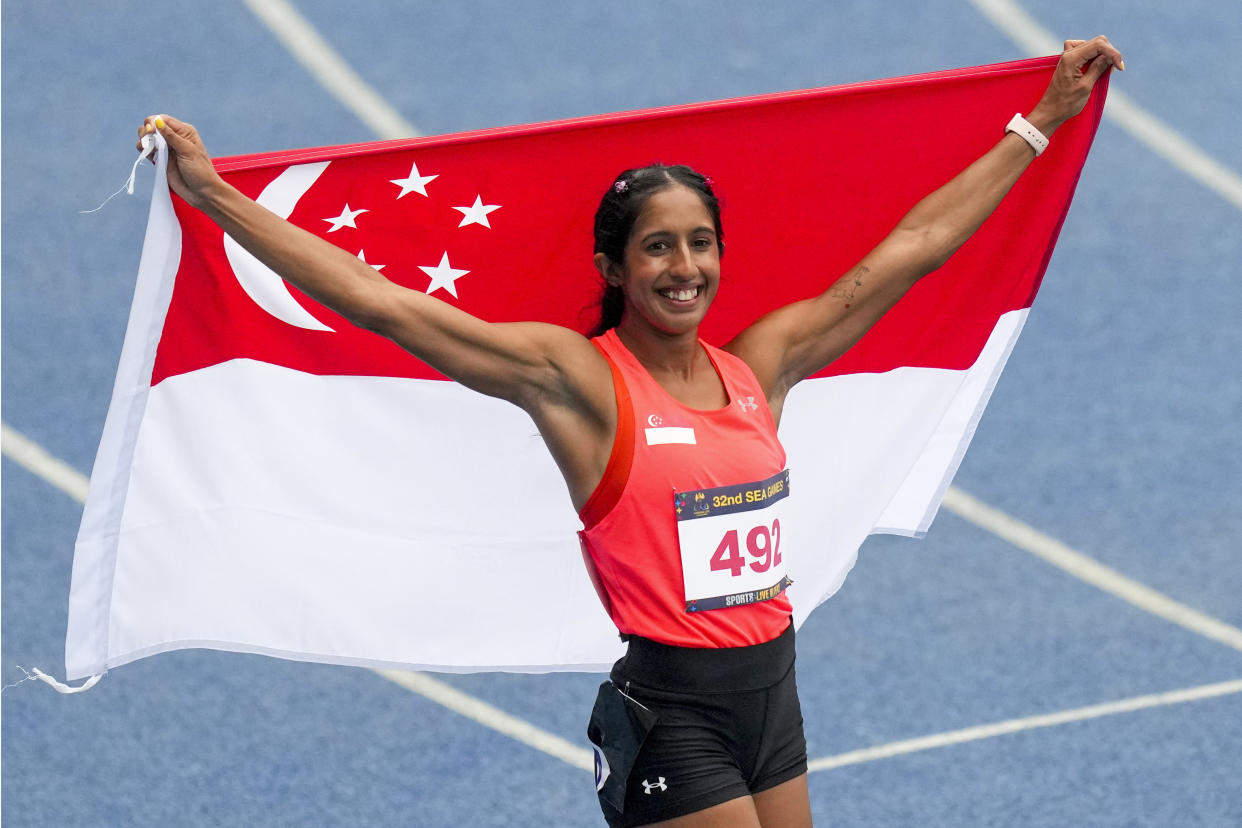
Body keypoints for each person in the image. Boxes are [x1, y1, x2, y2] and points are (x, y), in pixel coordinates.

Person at [140, 36, 1122, 828]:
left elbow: (911, 250)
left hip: (773, 695)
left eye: (699, 243)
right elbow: (386, 304)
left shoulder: (759, 366)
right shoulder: (578, 383)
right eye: (658, 246)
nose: (683, 266)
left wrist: (1039, 125)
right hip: (675, 715)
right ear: (615, 266)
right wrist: (216, 193)